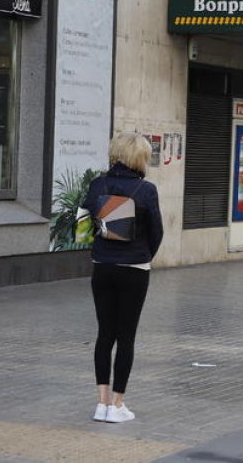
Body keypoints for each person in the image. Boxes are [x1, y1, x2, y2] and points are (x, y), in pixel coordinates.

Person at [84, 132, 164, 424]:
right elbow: (157, 232)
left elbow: (82, 225)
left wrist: (101, 249)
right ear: (139, 158)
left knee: (105, 334)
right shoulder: (146, 190)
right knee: (126, 336)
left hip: (102, 267)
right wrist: (142, 254)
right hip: (134, 270)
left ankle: (101, 403)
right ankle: (117, 405)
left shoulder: (98, 185)